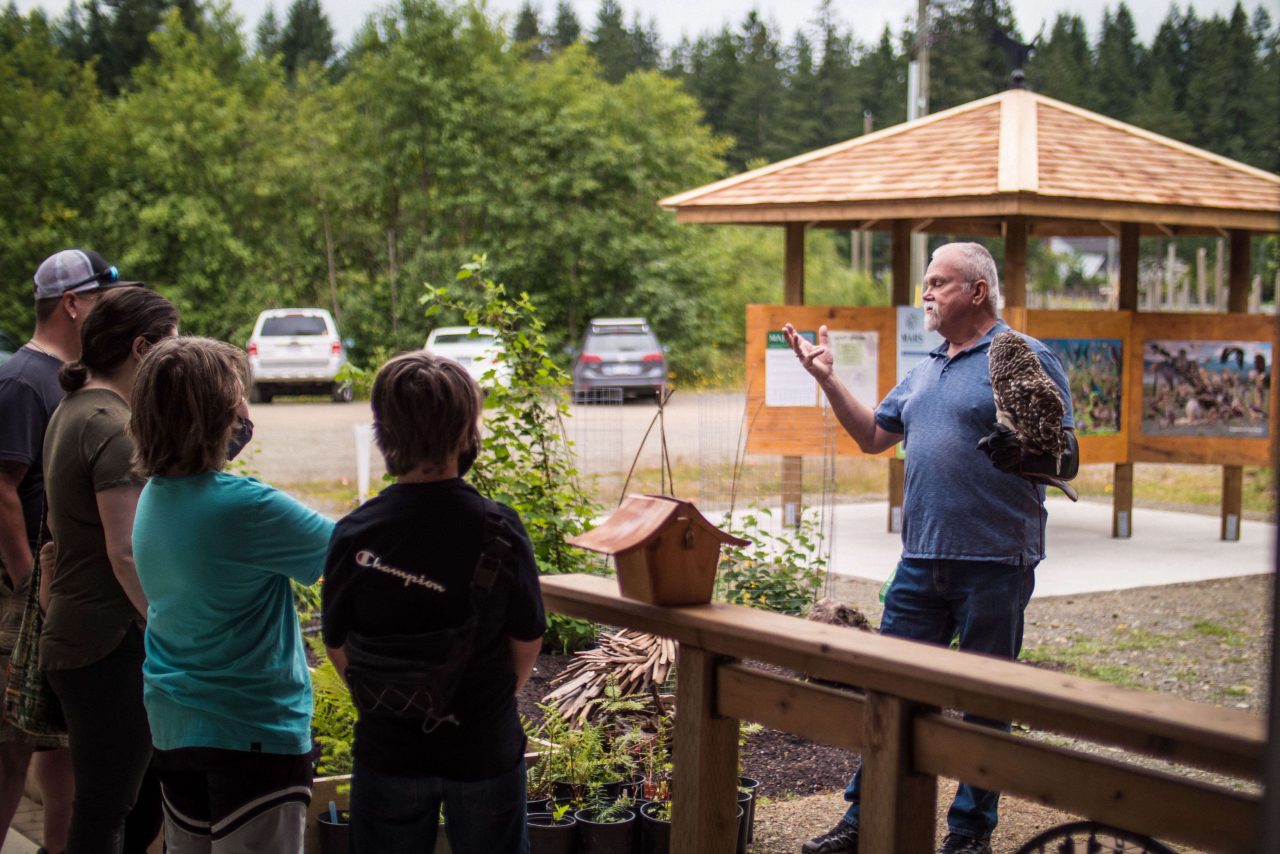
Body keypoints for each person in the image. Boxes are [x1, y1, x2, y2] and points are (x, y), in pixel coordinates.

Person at [789, 243, 1077, 854]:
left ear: (977, 291)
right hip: (921, 559)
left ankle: (969, 834)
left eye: (939, 283)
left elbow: (1067, 453)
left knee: (983, 703)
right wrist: (828, 378)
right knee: (890, 693)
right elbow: (872, 435)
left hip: (996, 561)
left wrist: (1029, 454)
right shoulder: (926, 368)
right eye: (925, 283)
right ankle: (865, 817)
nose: (926, 294)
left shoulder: (1020, 356)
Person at [322, 352, 546, 854]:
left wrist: (395, 695)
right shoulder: (500, 528)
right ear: (469, 431)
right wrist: (481, 699)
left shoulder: (356, 532)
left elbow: (336, 644)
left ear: (384, 432)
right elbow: (528, 637)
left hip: (389, 749)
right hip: (483, 746)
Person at [129, 336, 334, 853]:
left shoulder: (153, 498)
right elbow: (352, 553)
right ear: (215, 415)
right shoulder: (247, 509)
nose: (246, 410)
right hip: (252, 729)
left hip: (176, 727)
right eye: (236, 398)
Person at [0, 249, 143, 853]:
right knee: (11, 751)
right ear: (73, 303)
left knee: (68, 766)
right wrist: (33, 582)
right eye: (105, 297)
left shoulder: (79, 382)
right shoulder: (21, 380)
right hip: (28, 596)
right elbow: (3, 490)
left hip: (59, 595)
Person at [41, 286, 178, 853]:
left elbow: (55, 531)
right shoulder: (110, 425)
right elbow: (124, 551)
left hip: (88, 632)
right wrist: (170, 632)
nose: (178, 355)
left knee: (138, 801)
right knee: (106, 811)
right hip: (108, 640)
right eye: (172, 343)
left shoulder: (75, 409)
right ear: (143, 349)